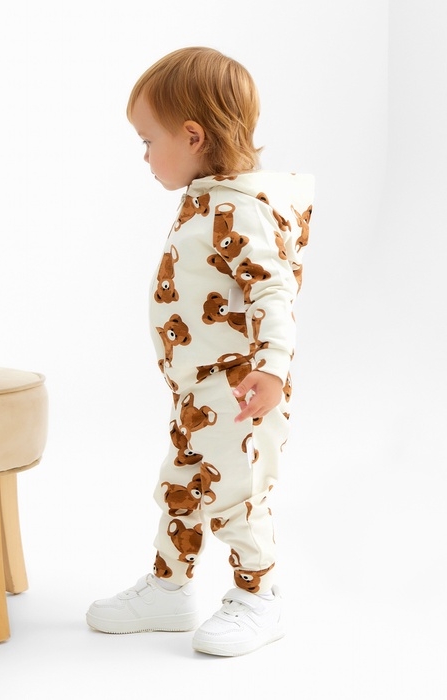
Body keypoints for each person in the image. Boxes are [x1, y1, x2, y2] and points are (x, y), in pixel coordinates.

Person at [86, 46, 314, 657]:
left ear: (192, 136)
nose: (143, 156)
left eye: (147, 141)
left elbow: (273, 291)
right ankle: (170, 588)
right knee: (180, 487)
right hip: (198, 392)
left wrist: (271, 369)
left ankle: (259, 597)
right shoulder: (210, 199)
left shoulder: (240, 208)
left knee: (239, 495)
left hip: (238, 390)